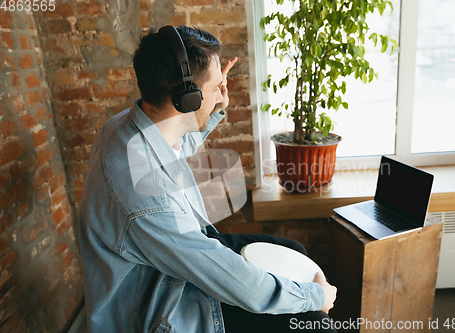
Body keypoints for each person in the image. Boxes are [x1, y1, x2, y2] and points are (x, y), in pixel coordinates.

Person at [76, 25, 337, 333]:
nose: (219, 94)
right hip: (165, 304)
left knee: (293, 248)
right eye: (214, 88)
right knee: (314, 324)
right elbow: (245, 288)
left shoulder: (127, 125)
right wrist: (315, 296)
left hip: (170, 256)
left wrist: (213, 107)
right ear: (186, 99)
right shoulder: (148, 201)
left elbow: (174, 144)